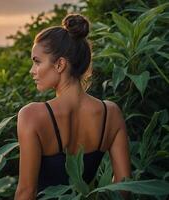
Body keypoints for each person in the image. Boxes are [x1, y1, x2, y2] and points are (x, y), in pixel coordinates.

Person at [14, 13, 131, 200]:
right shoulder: (111, 113)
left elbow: (26, 192)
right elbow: (124, 187)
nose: (32, 70)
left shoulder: (32, 116)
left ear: (60, 64)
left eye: (37, 61)